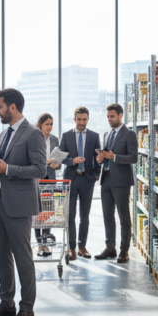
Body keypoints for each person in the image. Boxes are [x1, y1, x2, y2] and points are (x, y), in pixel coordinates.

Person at [0, 88, 47, 316]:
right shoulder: (2, 135)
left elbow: (40, 169)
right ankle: (6, 303)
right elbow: (3, 165)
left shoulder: (33, 134)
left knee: (22, 258)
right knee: (1, 257)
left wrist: (7, 169)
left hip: (19, 204)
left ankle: (26, 309)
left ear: (13, 107)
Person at [95, 103, 138, 263]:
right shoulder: (106, 134)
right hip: (105, 179)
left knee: (123, 216)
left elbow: (133, 157)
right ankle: (110, 248)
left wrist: (115, 157)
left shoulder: (130, 134)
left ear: (121, 115)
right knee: (107, 216)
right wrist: (100, 159)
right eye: (108, 116)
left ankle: (124, 250)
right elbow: (105, 155)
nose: (109, 119)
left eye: (112, 116)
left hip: (121, 182)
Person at [58, 106, 101, 261]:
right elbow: (61, 157)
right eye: (79, 119)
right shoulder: (66, 136)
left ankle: (82, 246)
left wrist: (96, 173)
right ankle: (72, 248)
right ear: (74, 119)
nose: (81, 122)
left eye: (84, 119)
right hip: (71, 179)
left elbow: (98, 156)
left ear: (88, 119)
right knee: (70, 215)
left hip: (87, 179)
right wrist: (72, 161)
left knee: (85, 216)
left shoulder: (94, 136)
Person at [35, 113, 61, 257]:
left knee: (48, 212)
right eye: (47, 124)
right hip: (37, 180)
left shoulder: (55, 140)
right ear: (40, 125)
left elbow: (57, 164)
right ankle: (40, 244)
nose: (50, 127)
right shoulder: (34, 138)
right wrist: (45, 162)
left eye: (51, 124)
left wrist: (56, 165)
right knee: (37, 214)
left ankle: (45, 243)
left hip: (50, 180)